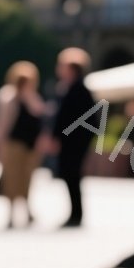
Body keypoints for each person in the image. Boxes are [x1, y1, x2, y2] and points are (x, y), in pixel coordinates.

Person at [0, 60, 44, 229]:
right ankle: (11, 214)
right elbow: (2, 122)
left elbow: (39, 115)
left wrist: (28, 97)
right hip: (13, 144)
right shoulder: (7, 96)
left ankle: (28, 211)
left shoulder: (32, 97)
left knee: (27, 180)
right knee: (11, 180)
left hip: (30, 146)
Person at [52, 47, 96, 228]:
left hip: (74, 143)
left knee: (72, 176)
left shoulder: (79, 90)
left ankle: (76, 215)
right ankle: (75, 213)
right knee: (70, 176)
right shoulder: (71, 88)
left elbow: (80, 119)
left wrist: (62, 137)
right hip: (71, 142)